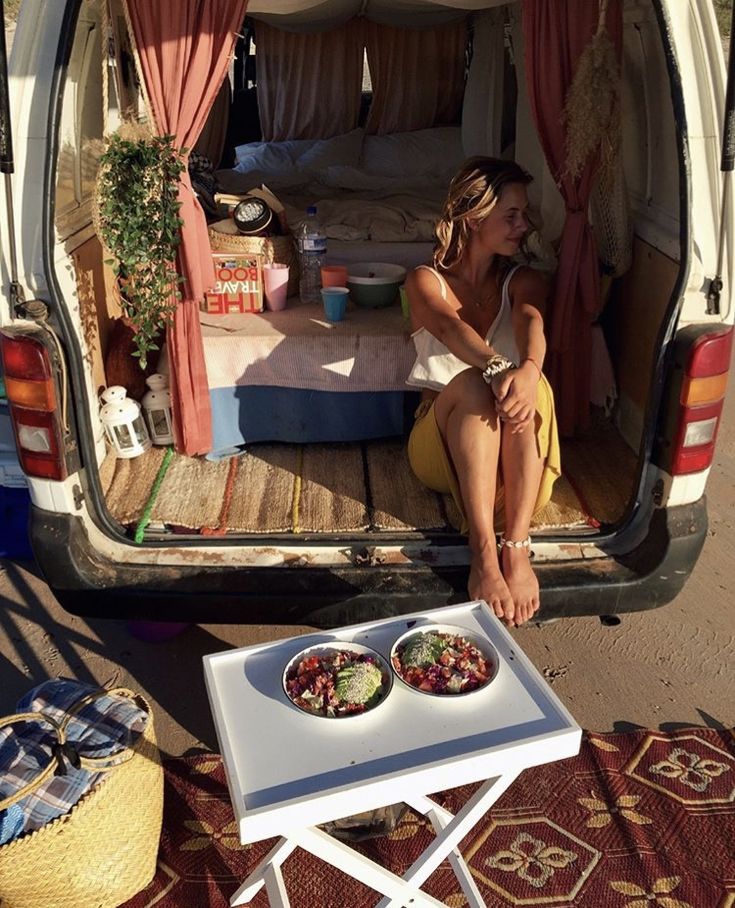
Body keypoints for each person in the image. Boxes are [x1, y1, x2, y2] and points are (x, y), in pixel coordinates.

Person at [405, 157, 561, 627]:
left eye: (524, 214)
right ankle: (483, 553)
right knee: (477, 384)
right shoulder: (424, 280)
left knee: (532, 386)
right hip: (443, 449)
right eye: (510, 215)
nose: (523, 226)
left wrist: (529, 369)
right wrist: (494, 367)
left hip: (516, 467)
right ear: (472, 216)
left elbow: (530, 320)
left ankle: (516, 549)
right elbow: (449, 327)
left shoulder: (524, 279)